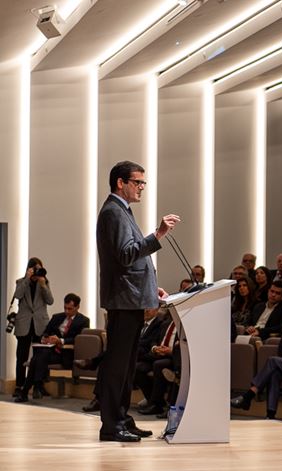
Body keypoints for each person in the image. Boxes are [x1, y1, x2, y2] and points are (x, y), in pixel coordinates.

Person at [96, 160, 179, 442]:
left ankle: (121, 418)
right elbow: (127, 254)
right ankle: (111, 426)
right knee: (118, 366)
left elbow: (130, 262)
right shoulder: (114, 212)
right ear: (121, 182)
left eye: (144, 183)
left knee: (128, 365)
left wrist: (150, 286)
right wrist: (158, 235)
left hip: (130, 297)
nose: (142, 187)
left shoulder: (122, 211)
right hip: (123, 300)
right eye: (138, 182)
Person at [15, 293, 89, 403]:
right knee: (39, 356)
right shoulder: (57, 317)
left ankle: (28, 391)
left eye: (70, 309)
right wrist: (45, 338)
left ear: (77, 307)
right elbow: (45, 332)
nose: (67, 311)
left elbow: (79, 339)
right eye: (65, 308)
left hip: (65, 354)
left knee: (36, 359)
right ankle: (35, 387)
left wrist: (62, 341)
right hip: (51, 351)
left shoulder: (83, 321)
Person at [10, 257, 53, 400]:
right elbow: (18, 295)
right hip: (24, 324)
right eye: (35, 269)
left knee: (39, 357)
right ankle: (19, 386)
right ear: (29, 269)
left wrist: (43, 285)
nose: (37, 271)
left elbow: (50, 301)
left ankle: (37, 386)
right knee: (21, 356)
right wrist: (27, 278)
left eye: (39, 268)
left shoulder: (44, 282)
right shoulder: (21, 282)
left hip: (39, 324)